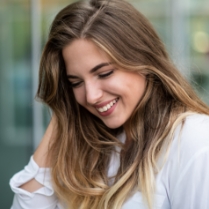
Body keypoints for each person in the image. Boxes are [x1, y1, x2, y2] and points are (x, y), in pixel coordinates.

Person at [10, 0, 209, 208]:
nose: (91, 96)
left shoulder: (193, 140)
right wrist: (64, 108)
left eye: (104, 73)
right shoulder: (94, 146)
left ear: (144, 60)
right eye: (75, 82)